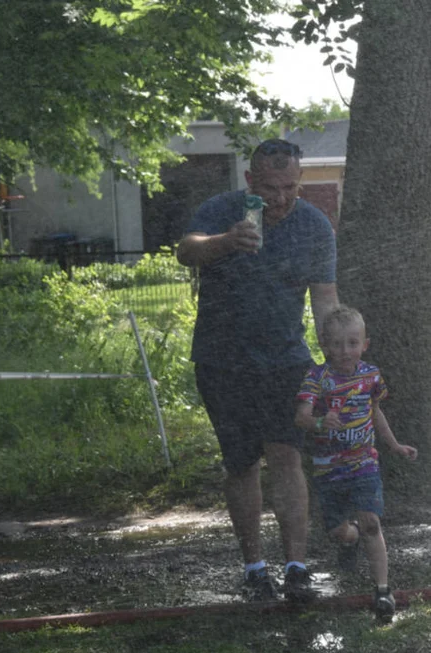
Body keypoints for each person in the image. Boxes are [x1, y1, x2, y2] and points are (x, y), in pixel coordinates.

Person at [176, 138, 338, 602]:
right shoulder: (222, 209)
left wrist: (339, 363)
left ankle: (297, 567)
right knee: (241, 463)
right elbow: (186, 250)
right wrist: (225, 242)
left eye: (289, 187)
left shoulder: (314, 225)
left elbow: (325, 299)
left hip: (286, 361)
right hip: (221, 360)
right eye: (269, 187)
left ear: (299, 181)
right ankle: (254, 568)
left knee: (287, 457)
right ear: (250, 181)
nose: (280, 198)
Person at [294, 306, 418, 622]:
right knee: (341, 531)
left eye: (352, 343)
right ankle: (348, 542)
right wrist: (321, 422)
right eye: (336, 344)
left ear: (364, 344)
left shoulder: (370, 376)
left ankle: (383, 590)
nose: (344, 351)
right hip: (328, 469)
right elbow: (301, 417)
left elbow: (375, 412)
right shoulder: (317, 378)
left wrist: (394, 445)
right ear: (324, 345)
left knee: (371, 524)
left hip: (364, 463)